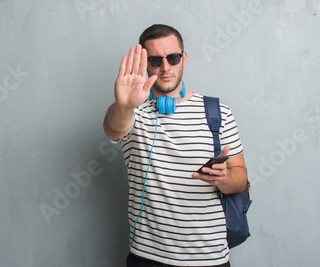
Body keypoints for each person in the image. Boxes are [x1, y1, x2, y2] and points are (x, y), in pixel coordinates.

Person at [103, 24, 248, 267]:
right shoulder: (132, 111)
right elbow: (113, 128)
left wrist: (223, 179)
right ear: (145, 63)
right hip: (147, 258)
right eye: (156, 60)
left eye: (173, 57)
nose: (166, 67)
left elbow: (241, 179)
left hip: (210, 259)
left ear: (184, 58)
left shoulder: (218, 112)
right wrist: (125, 105)